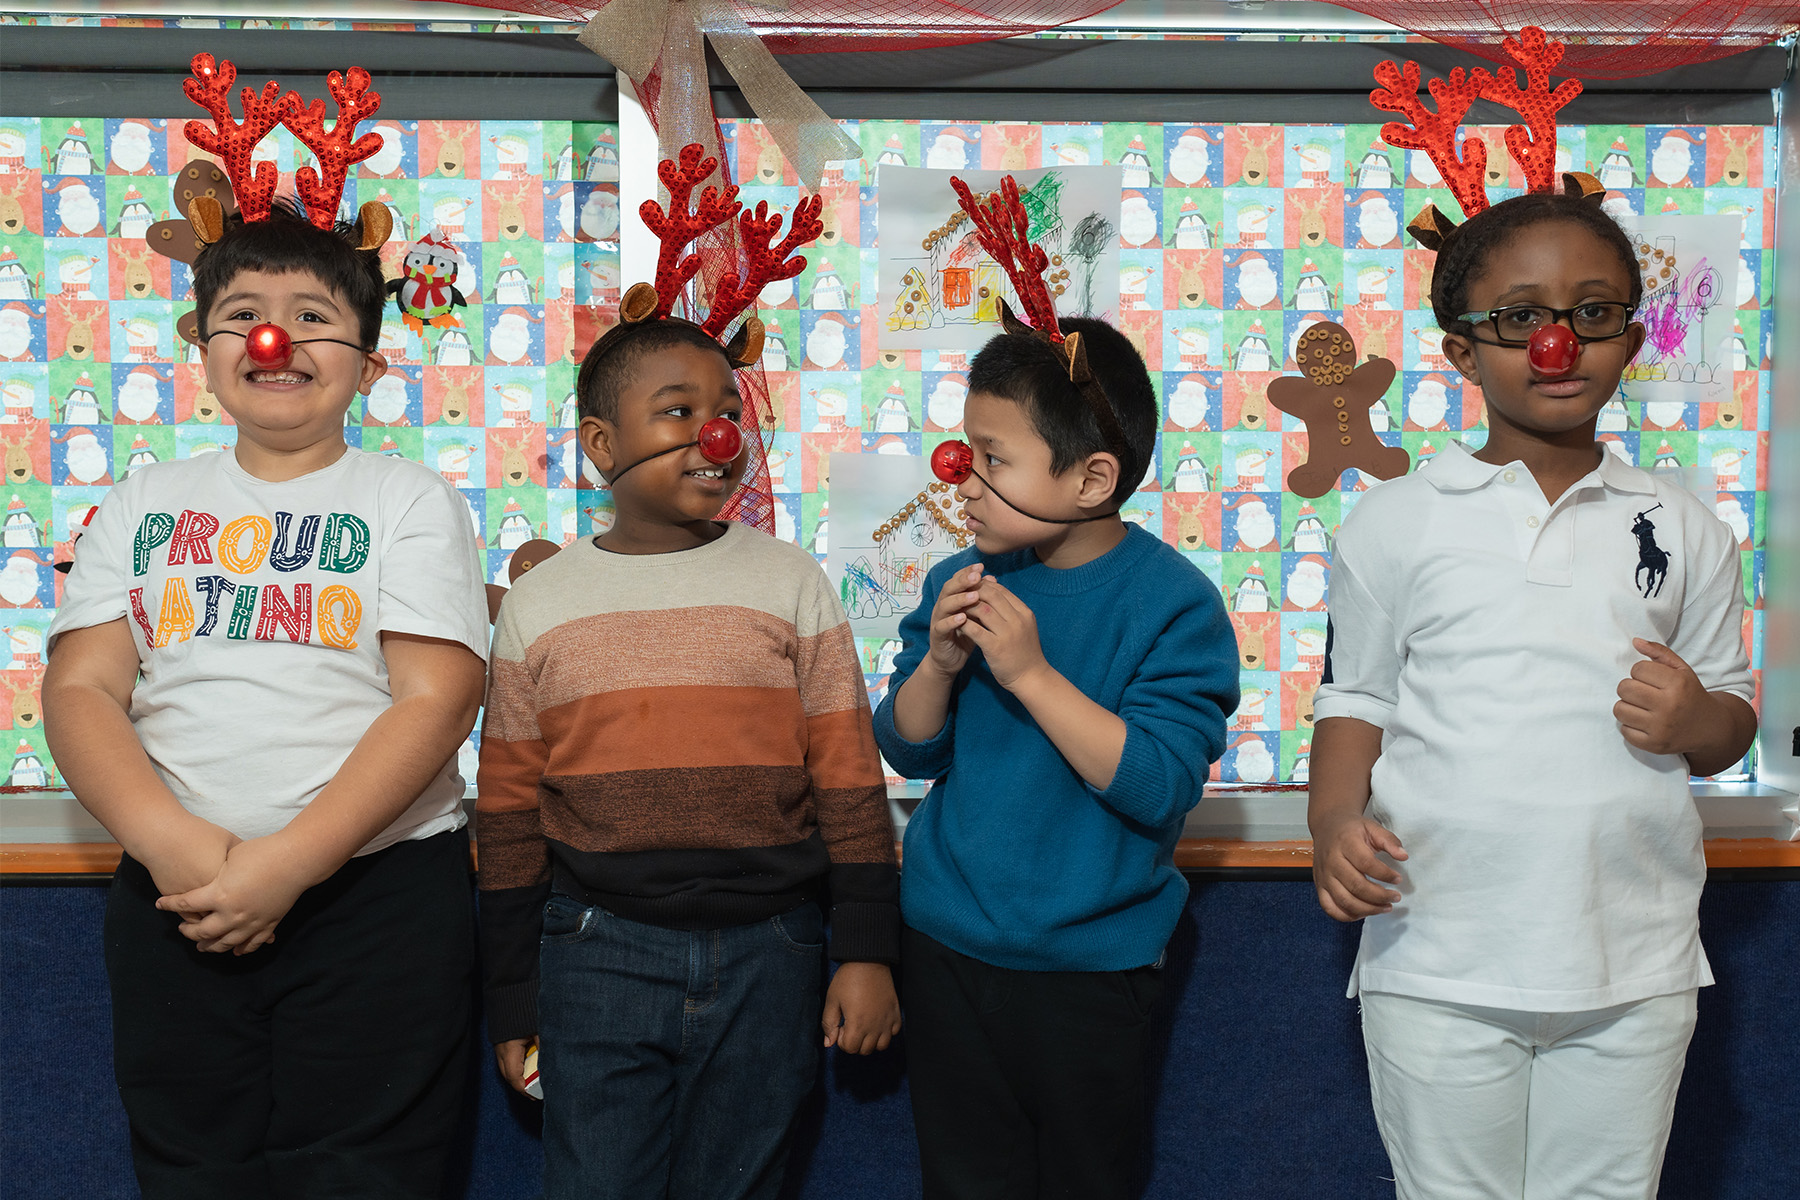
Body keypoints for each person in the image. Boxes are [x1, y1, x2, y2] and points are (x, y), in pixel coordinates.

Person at [1310, 186, 1758, 1200]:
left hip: (1632, 963)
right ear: (1463, 350)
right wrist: (1333, 820)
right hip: (1437, 958)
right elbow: (1355, 700)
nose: (1559, 344)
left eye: (1591, 313)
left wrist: (1699, 721)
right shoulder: (1395, 522)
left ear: (1630, 338)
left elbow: (1728, 712)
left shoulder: (1685, 526)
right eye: (1520, 318)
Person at [44, 198, 490, 1198]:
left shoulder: (408, 499)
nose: (272, 336)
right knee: (191, 1166)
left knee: (365, 1173)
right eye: (241, 313)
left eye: (309, 315)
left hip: (376, 899)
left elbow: (436, 697)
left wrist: (289, 863)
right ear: (202, 350)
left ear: (368, 363)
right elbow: (80, 688)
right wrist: (176, 844)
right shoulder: (142, 502)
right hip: (178, 893)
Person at [477, 316, 902, 1200]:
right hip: (595, 948)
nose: (716, 436)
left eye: (726, 413)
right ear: (601, 444)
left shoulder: (790, 580)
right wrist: (513, 993)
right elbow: (511, 810)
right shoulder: (540, 603)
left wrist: (866, 950)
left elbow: (850, 777)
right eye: (678, 413)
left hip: (772, 947)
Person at [874, 315, 1239, 1199]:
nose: (959, 476)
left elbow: (1159, 785)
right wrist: (941, 661)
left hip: (1090, 970)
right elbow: (906, 746)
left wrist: (1031, 675)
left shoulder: (1173, 605)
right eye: (966, 450)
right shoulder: (962, 578)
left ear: (1091, 479)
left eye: (992, 459)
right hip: (946, 944)